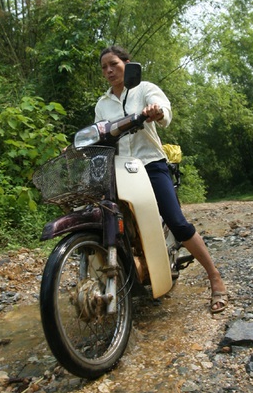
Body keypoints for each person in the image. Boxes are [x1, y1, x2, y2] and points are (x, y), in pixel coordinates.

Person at [95, 45, 228, 313]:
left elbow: (165, 111)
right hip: (119, 169)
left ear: (128, 64)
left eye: (114, 64)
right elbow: (99, 135)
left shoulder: (143, 89)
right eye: (104, 67)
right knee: (109, 221)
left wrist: (156, 112)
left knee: (176, 221)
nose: (109, 71)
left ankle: (215, 278)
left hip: (150, 164)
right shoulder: (102, 104)